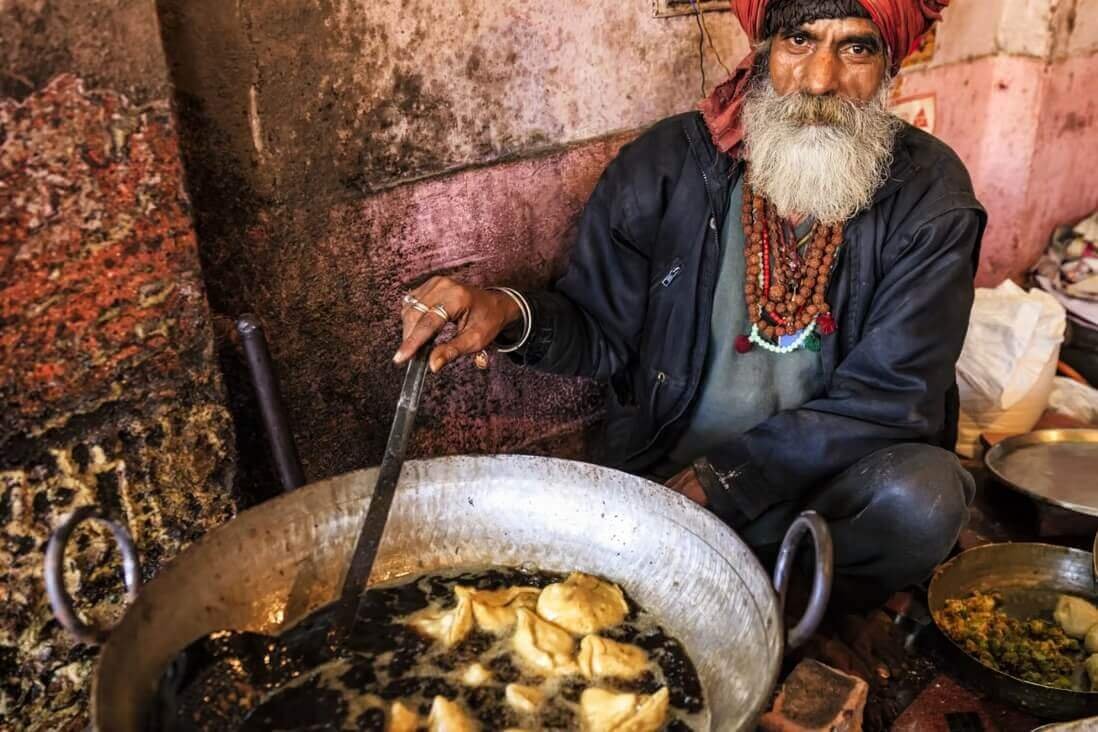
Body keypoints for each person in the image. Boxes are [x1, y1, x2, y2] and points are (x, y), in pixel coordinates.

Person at [393, 0, 983, 608]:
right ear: (764, 52)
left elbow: (891, 400)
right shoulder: (666, 167)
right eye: (799, 41)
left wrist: (723, 481)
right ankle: (754, 596)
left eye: (856, 49)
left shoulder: (930, 198)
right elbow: (603, 331)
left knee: (927, 499)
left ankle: (771, 604)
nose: (819, 81)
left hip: (822, 495)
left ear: (891, 65)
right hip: (667, 476)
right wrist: (508, 311)